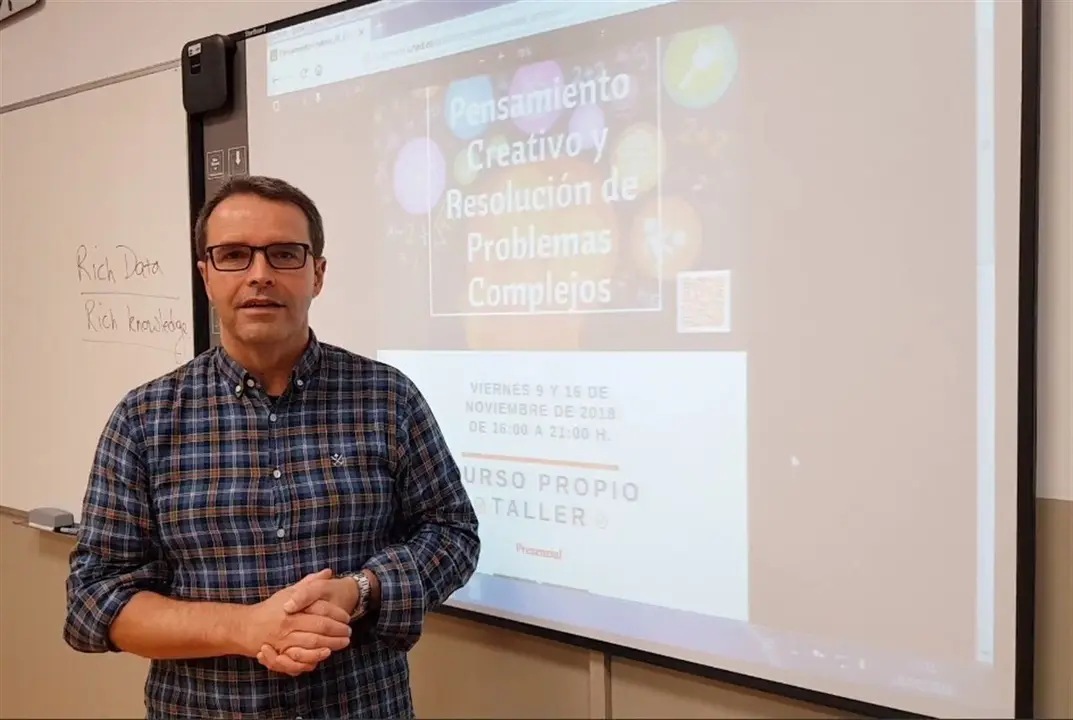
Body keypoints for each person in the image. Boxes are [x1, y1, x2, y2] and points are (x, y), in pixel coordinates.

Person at [64, 175, 480, 719]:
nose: (259, 274)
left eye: (284, 254)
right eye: (234, 255)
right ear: (206, 276)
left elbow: (452, 533)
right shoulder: (145, 419)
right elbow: (94, 601)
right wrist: (247, 627)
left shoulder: (387, 398)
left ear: (317, 274)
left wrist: (360, 589)